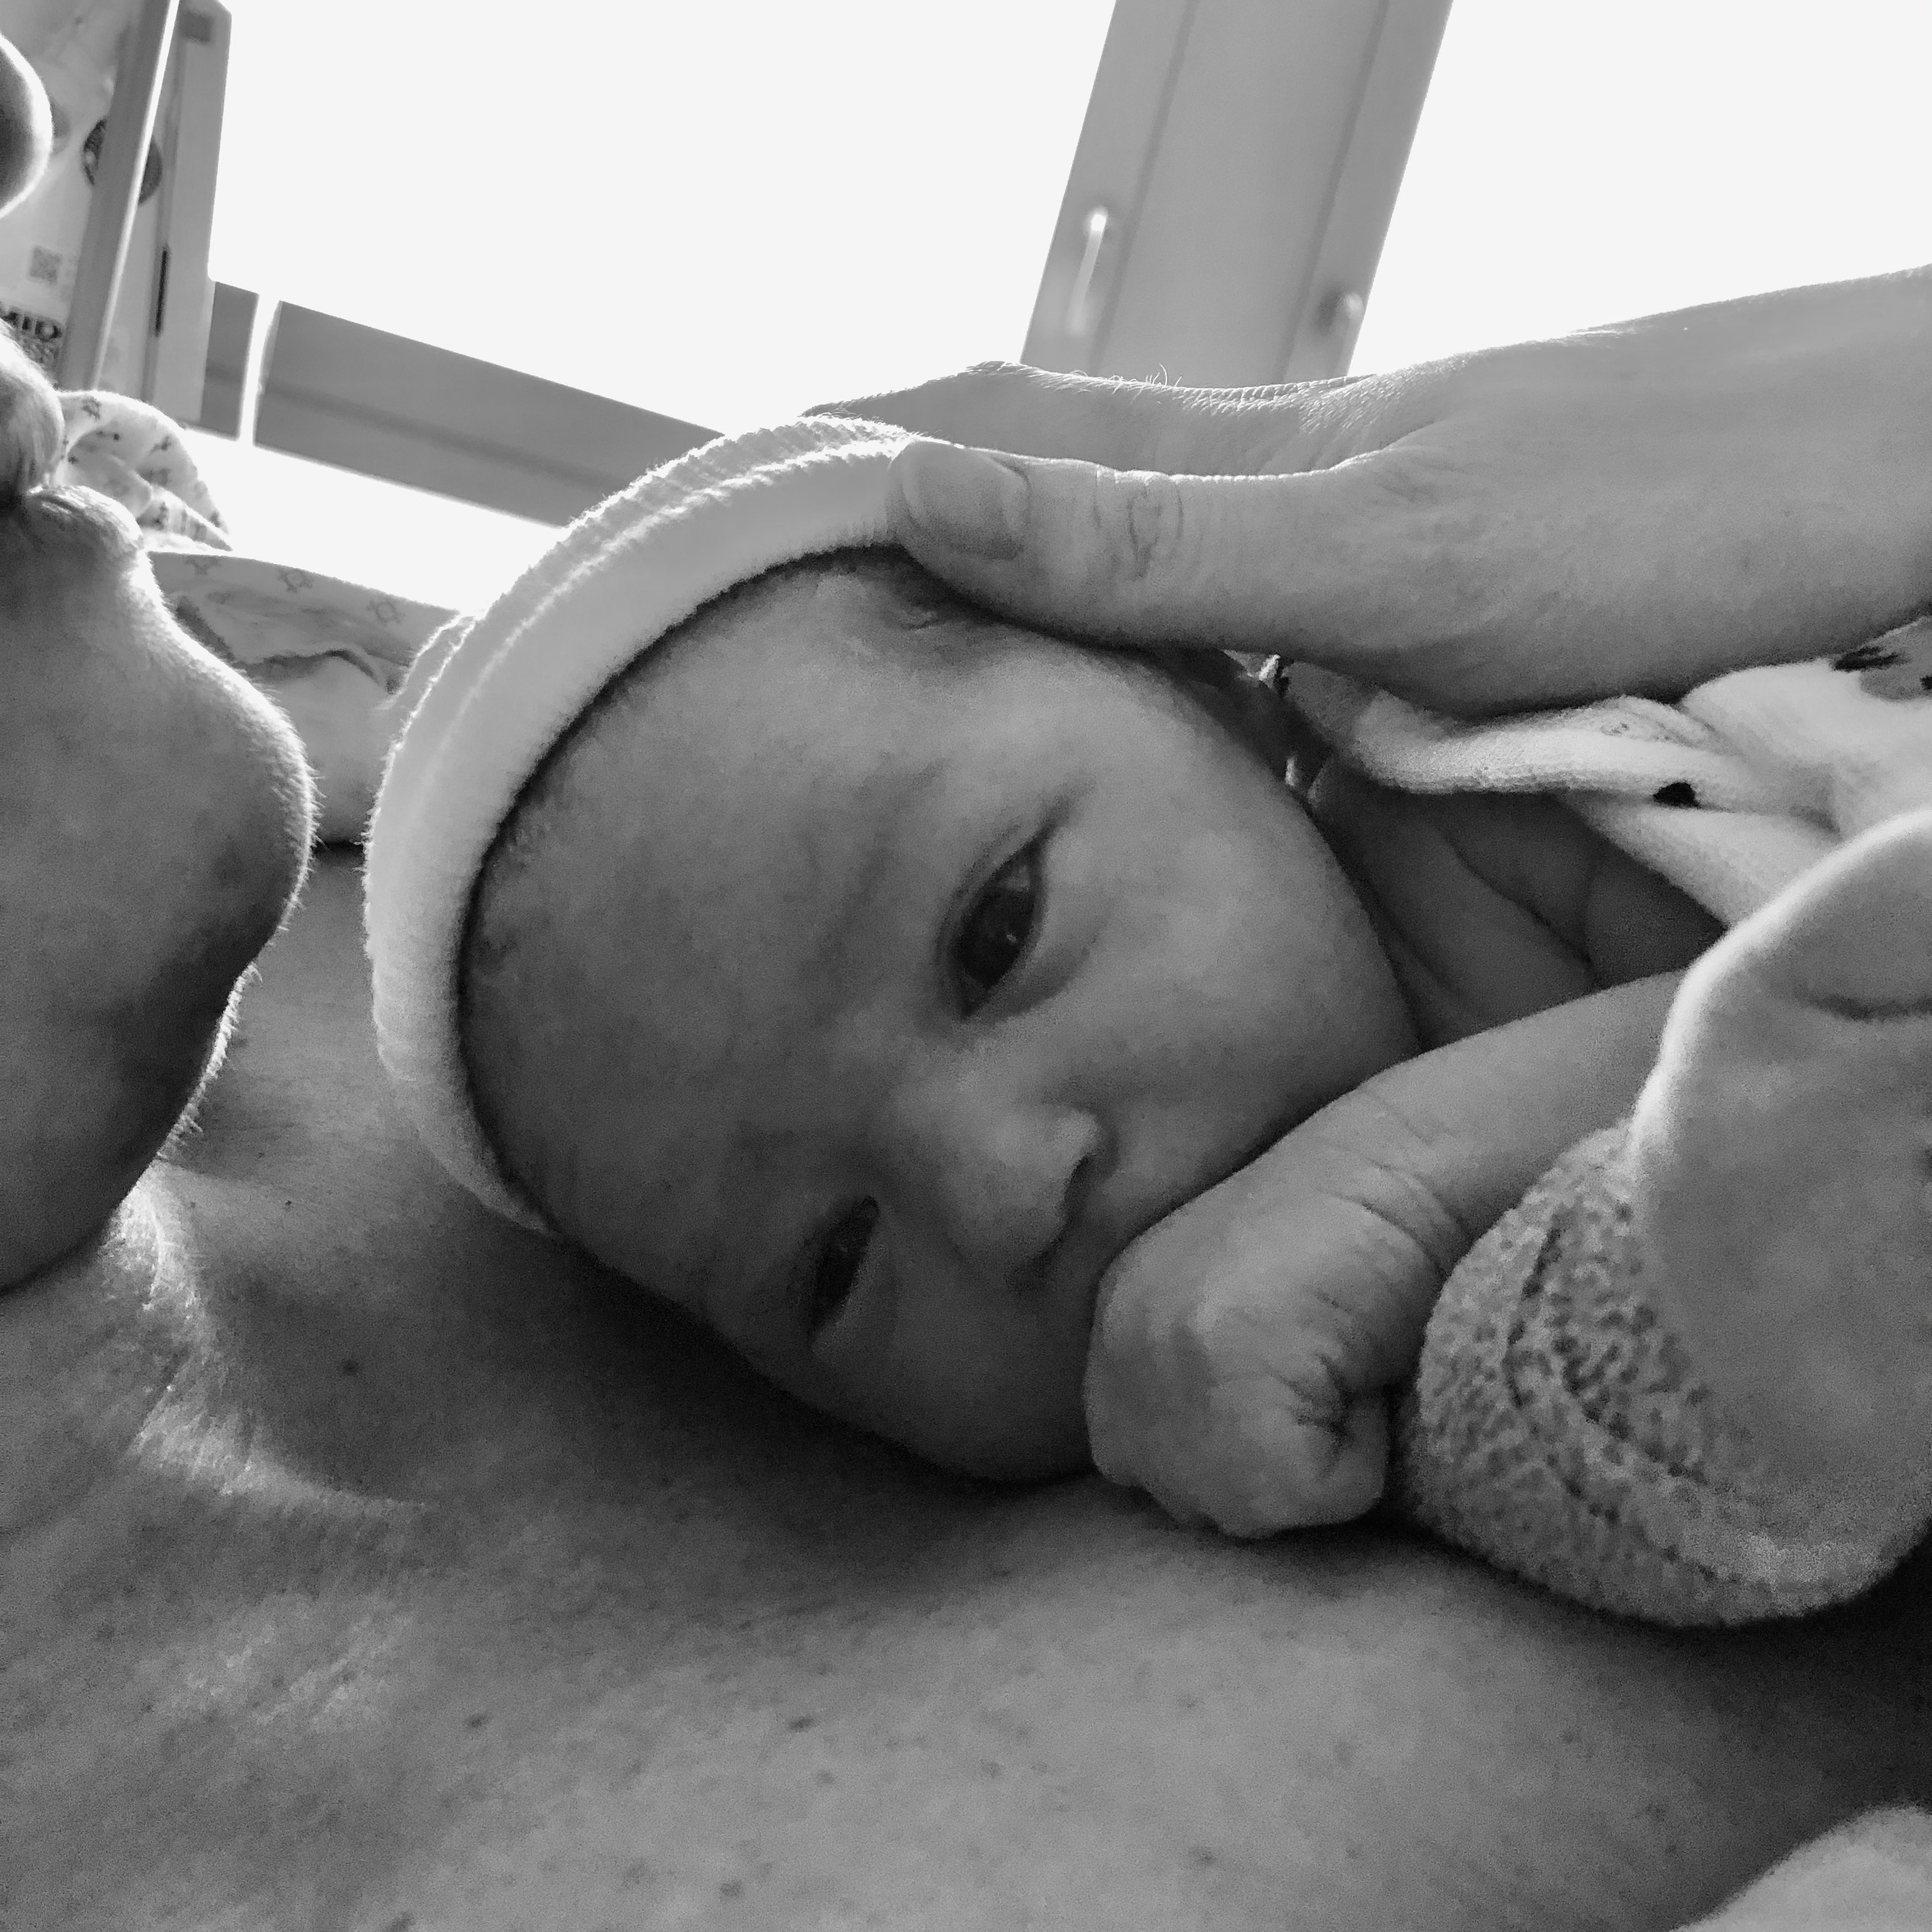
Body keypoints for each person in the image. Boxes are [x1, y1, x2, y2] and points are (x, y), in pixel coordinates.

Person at [6, 277, 1928, 1931]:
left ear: (1226, 695)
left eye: (999, 933)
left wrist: (1873, 395)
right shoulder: (616, 1049)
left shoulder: (1497, 806)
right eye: (834, 1267)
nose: (1001, 1184)